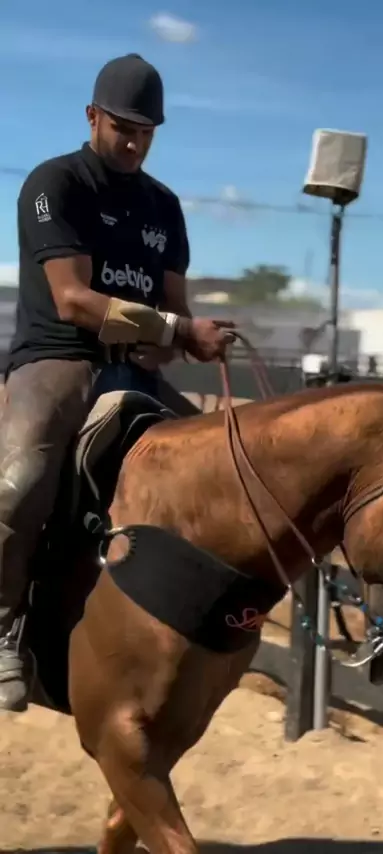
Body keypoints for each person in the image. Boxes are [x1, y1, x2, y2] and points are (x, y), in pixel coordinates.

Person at [0, 53, 234, 712]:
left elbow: (175, 308)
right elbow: (74, 300)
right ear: (92, 117)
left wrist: (184, 335)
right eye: (122, 129)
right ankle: (2, 629)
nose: (133, 144)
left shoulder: (164, 206)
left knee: (219, 464)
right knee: (19, 480)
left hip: (135, 367)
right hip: (60, 357)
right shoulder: (54, 183)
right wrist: (177, 330)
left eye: (145, 133)